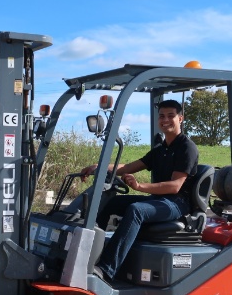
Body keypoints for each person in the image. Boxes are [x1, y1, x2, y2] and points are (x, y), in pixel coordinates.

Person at [80, 99, 198, 282]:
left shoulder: (186, 148)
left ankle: (106, 269)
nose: (165, 120)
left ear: (180, 118)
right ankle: (88, 254)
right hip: (159, 200)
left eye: (170, 116)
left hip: (177, 203)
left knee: (136, 210)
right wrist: (99, 166)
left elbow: (175, 186)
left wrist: (139, 187)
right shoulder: (160, 150)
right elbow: (128, 167)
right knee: (112, 203)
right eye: (161, 116)